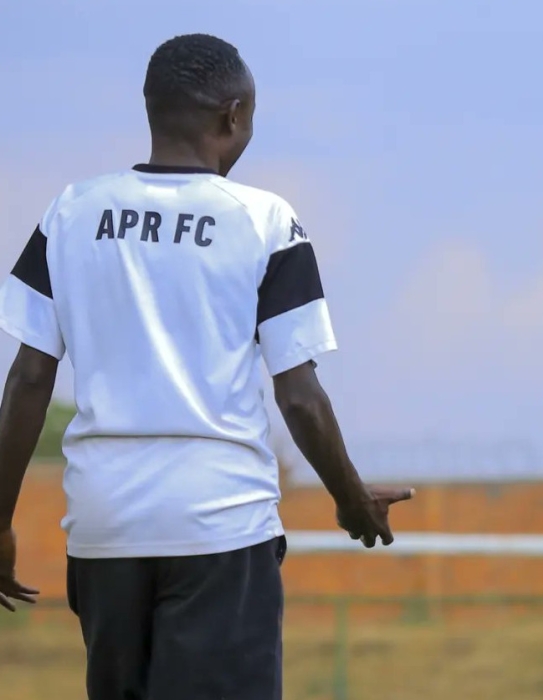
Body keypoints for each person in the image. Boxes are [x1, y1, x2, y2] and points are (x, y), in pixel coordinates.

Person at [0, 33, 413, 700]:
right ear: (233, 114)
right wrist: (352, 501)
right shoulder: (264, 220)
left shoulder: (70, 212)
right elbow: (299, 396)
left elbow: (27, 380)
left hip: (104, 528)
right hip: (219, 525)